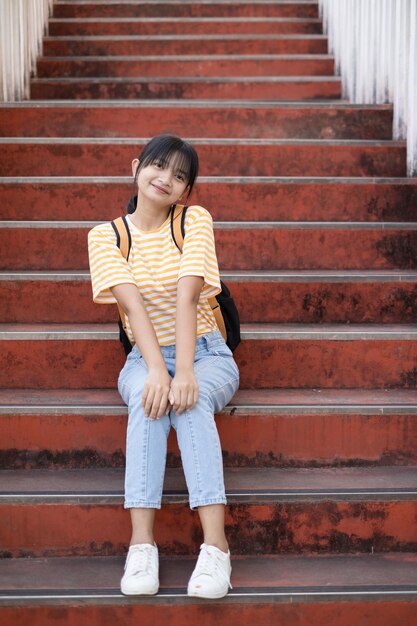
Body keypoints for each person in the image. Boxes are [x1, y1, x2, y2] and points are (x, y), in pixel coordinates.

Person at [87, 134, 240, 599]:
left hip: (207, 351)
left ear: (186, 191)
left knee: (189, 405)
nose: (166, 179)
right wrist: (158, 370)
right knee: (149, 400)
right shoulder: (106, 235)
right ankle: (141, 547)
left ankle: (217, 549)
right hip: (143, 355)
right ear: (137, 167)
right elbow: (131, 307)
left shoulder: (194, 220)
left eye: (179, 176)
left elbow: (188, 294)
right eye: (158, 166)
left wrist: (186, 371)